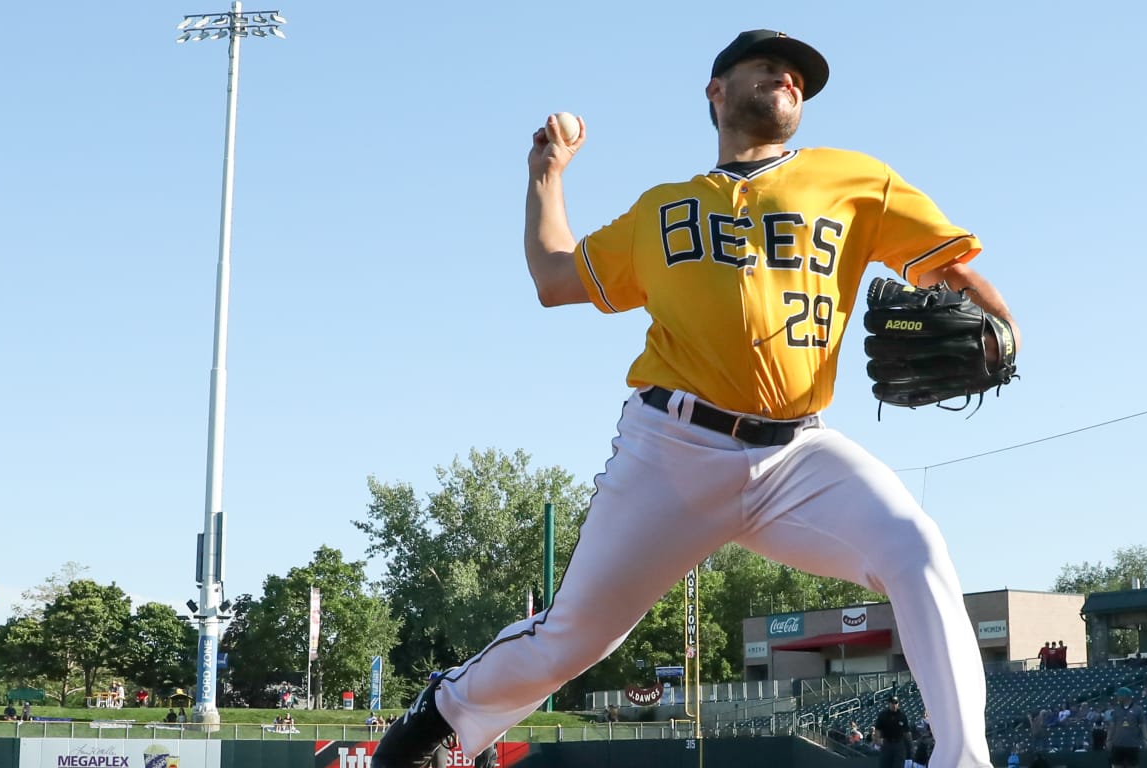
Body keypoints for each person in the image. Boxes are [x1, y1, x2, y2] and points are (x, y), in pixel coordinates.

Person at [372, 28, 1015, 768]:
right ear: (717, 92)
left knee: (915, 547)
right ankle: (442, 712)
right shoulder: (663, 209)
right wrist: (546, 175)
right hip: (672, 449)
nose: (789, 79)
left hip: (800, 455)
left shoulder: (857, 180)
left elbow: (953, 268)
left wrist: (1006, 330)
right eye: (769, 66)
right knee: (576, 639)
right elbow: (554, 278)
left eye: (800, 77)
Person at [1107, 688, 1147, 768]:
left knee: (1133, 765)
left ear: (1125, 696)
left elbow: (1143, 725)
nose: (1117, 697)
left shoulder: (1138, 709)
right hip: (1117, 745)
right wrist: (1108, 739)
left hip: (1132, 745)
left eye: (1119, 695)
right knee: (1117, 765)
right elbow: (1112, 726)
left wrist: (1146, 739)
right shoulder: (1116, 710)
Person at [874, 696, 912, 768]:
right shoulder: (883, 715)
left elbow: (907, 732)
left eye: (896, 703)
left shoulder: (902, 716)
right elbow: (878, 729)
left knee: (898, 765)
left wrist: (909, 744)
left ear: (898, 704)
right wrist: (878, 739)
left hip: (899, 744)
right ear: (889, 704)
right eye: (892, 703)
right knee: (885, 765)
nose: (894, 705)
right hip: (887, 743)